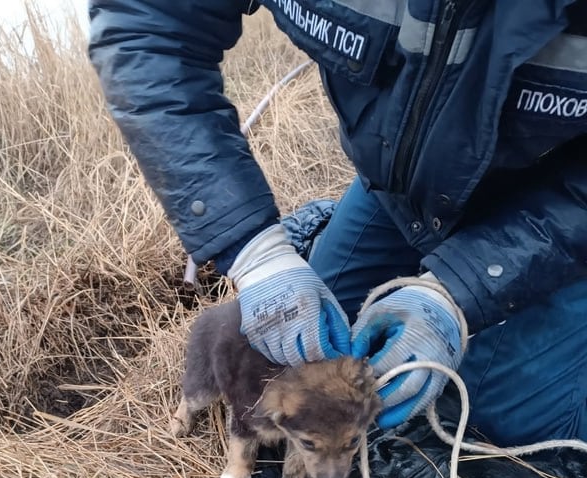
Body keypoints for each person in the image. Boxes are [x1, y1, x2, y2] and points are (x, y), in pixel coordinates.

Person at [88, 0, 587, 447]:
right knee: (296, 362)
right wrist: (254, 251)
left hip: (555, 205)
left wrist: (462, 289)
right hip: (400, 191)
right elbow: (147, 25)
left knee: (505, 417)